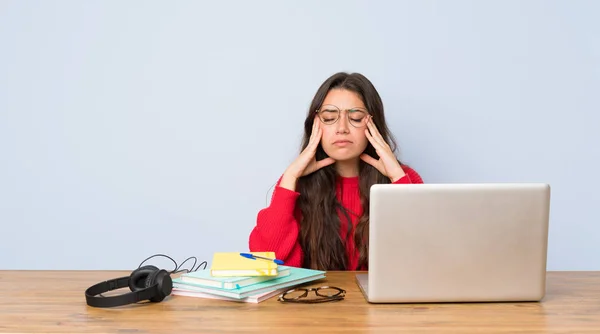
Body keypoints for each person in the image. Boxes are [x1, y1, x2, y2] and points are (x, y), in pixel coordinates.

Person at [248, 72, 423, 271]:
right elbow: (266, 263)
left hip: (385, 301)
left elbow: (425, 257)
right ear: (315, 124)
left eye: (355, 118)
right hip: (315, 299)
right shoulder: (294, 183)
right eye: (330, 117)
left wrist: (397, 178)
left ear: (374, 124)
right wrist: (289, 178)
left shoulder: (405, 179)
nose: (342, 128)